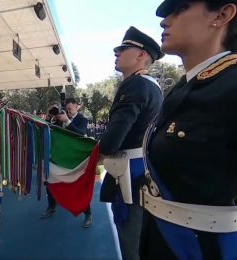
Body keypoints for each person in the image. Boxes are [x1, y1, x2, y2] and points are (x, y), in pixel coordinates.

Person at [140, 1, 237, 259]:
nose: (165, 21)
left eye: (181, 8)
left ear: (222, 15)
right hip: (163, 239)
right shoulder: (185, 86)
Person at [98, 26, 164, 260]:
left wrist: (99, 151)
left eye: (123, 48)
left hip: (129, 173)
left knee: (130, 242)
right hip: (146, 170)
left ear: (141, 55)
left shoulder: (134, 85)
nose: (117, 53)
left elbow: (114, 138)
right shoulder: (152, 86)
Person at [40, 98, 93, 228]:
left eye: (70, 109)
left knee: (79, 187)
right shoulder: (59, 118)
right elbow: (47, 131)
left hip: (74, 161)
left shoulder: (82, 120)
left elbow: (81, 134)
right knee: (51, 181)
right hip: (59, 159)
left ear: (77, 107)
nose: (68, 111)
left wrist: (67, 121)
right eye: (67, 109)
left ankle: (88, 214)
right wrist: (50, 117)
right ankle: (51, 207)